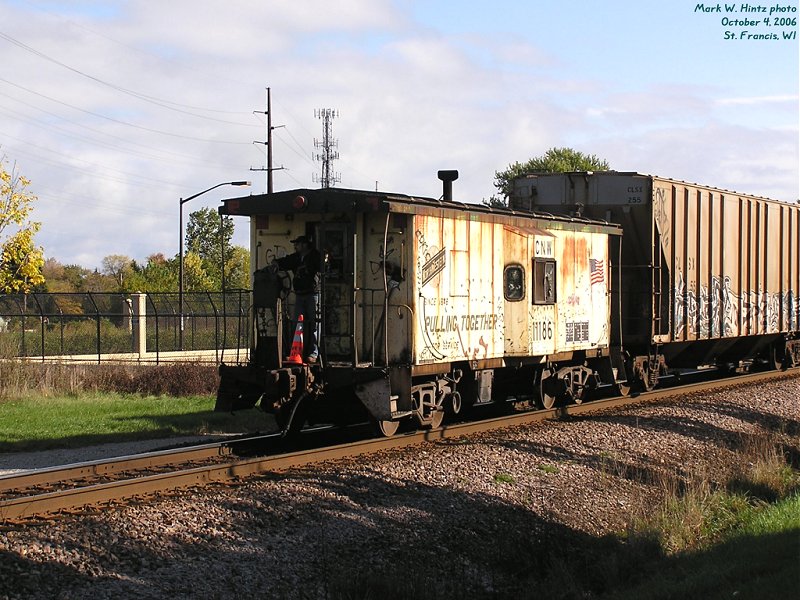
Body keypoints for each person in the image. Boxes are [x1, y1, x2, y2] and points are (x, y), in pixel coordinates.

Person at [273, 235, 320, 362]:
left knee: (314, 324)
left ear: (304, 245)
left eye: (297, 244)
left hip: (312, 294)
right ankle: (296, 352)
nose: (295, 246)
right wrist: (276, 263)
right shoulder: (296, 258)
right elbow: (285, 262)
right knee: (297, 324)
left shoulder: (315, 257)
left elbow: (322, 268)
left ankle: (313, 354)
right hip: (300, 294)